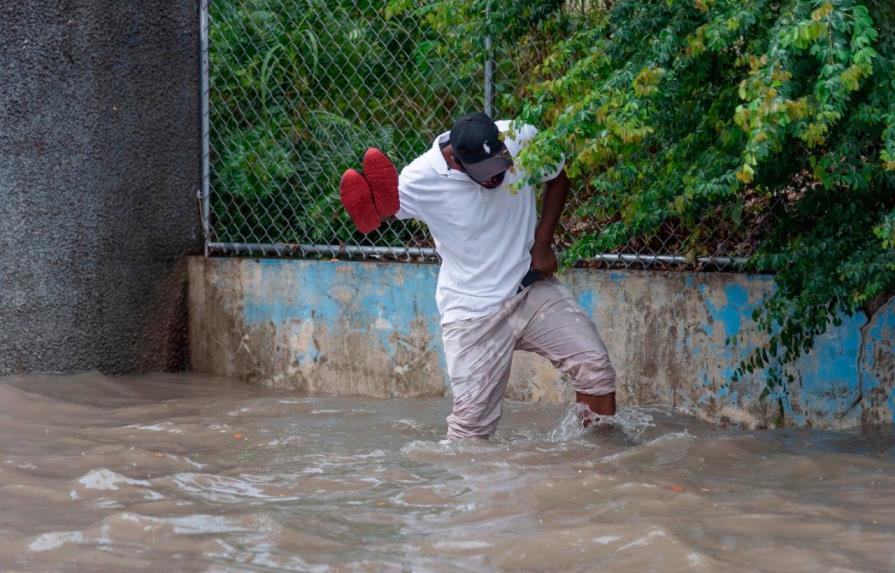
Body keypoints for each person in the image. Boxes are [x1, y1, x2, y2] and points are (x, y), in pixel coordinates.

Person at [340, 112, 616, 439]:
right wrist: (379, 211)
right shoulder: (421, 178)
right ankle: (465, 488)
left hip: (530, 291)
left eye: (501, 166)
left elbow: (558, 174)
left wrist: (543, 243)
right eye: (485, 174)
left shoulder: (520, 136)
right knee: (470, 431)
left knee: (595, 369)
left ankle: (599, 462)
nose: (496, 177)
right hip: (472, 314)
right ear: (456, 162)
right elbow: (391, 209)